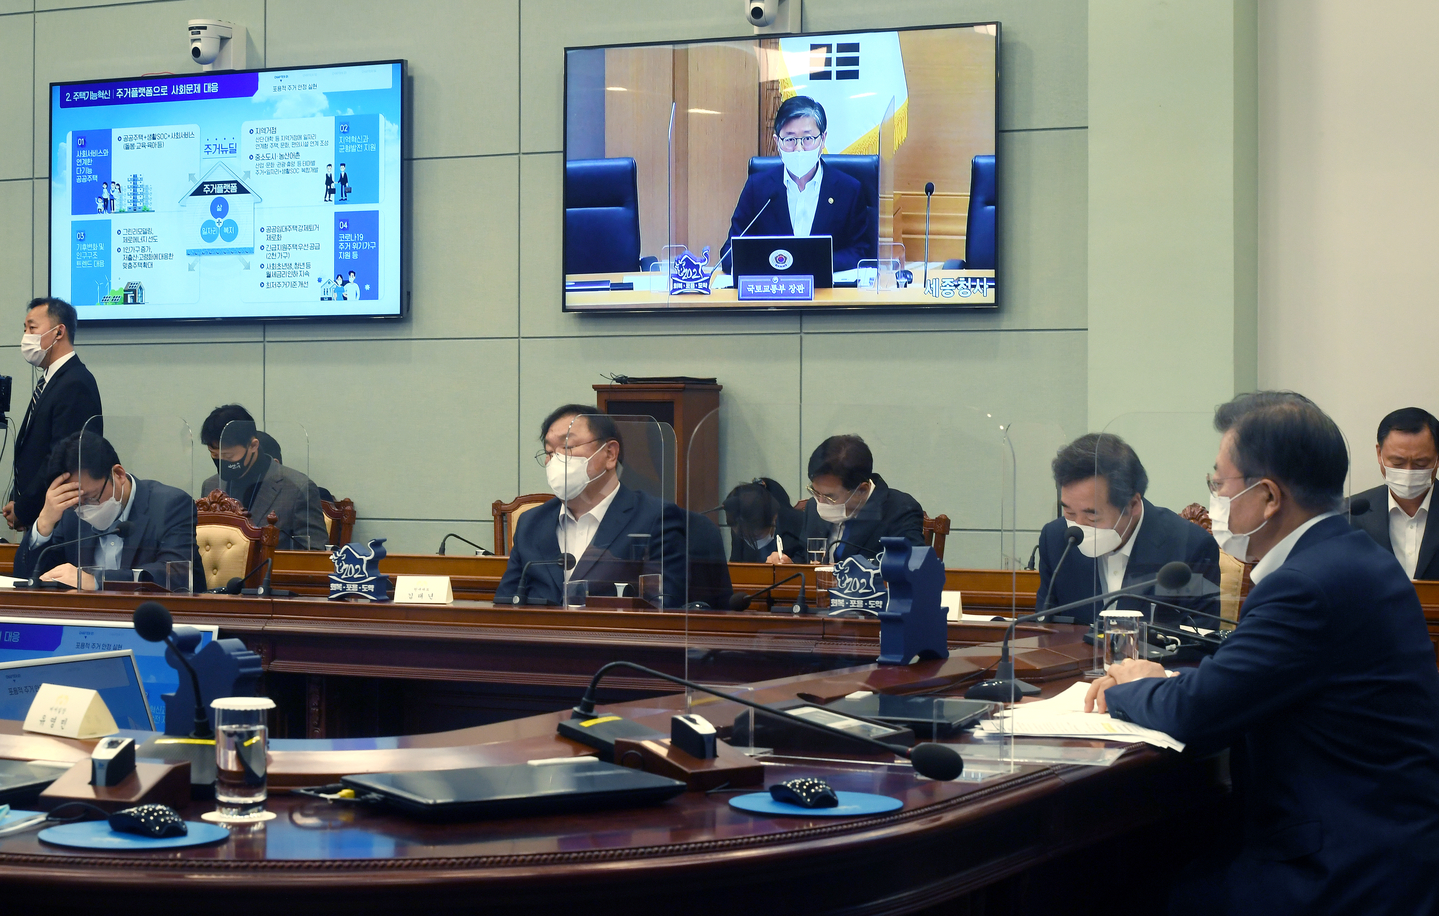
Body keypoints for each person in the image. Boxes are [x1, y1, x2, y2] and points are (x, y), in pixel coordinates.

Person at [1086, 391, 1439, 915]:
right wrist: (1177, 678)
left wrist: (1134, 685)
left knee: (1111, 892)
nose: (1214, 501)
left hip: (1339, 868)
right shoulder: (1353, 556)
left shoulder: (1305, 584)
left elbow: (1195, 712)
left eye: (1219, 484)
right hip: (1388, 842)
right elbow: (1253, 676)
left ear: (1269, 496)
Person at [495, 405, 692, 607]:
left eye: (568, 447)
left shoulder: (655, 519)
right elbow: (505, 606)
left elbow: (665, 610)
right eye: (549, 452)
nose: (556, 460)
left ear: (610, 454)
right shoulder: (531, 523)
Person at [1036, 433, 1220, 626]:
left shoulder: (1189, 547)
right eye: (1069, 512)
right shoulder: (1056, 540)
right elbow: (1046, 628)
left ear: (1133, 505)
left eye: (1092, 517)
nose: (1079, 526)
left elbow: (1199, 641)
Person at [14, 431, 204, 592]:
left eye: (90, 498)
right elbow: (28, 580)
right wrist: (44, 524)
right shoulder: (70, 513)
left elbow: (175, 575)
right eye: (75, 503)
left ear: (119, 474)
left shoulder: (171, 505)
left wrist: (98, 580)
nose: (83, 509)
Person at [722, 96, 873, 273]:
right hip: (774, 293)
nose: (799, 149)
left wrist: (813, 264)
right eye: (790, 139)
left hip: (826, 294)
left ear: (823, 140)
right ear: (777, 142)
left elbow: (861, 252)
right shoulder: (758, 188)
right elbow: (730, 253)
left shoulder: (848, 190)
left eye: (808, 139)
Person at [5, 297, 103, 532]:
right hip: (41, 517)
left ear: (58, 332)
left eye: (32, 328)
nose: (26, 336)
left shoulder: (75, 382)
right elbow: (33, 453)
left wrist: (24, 509)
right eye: (25, 329)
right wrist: (19, 502)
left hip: (62, 524)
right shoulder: (52, 380)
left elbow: (61, 460)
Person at [199, 406, 328, 550]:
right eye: (215, 455)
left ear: (253, 446)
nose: (222, 462)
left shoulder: (297, 488)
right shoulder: (210, 486)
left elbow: (315, 554)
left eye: (228, 456)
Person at [779, 435, 923, 564]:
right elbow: (805, 558)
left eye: (830, 497)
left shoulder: (899, 510)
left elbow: (910, 564)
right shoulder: (812, 507)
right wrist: (788, 564)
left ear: (862, 490)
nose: (820, 502)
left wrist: (850, 572)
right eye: (815, 492)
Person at [1349, 407, 1439, 580]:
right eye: (1397, 462)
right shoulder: (1351, 513)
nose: (1408, 471)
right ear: (1379, 453)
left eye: (1421, 463)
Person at [724, 478, 803, 563]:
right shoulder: (740, 525)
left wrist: (791, 564)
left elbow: (809, 561)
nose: (751, 541)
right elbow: (736, 564)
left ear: (774, 517)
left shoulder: (799, 524)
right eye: (743, 536)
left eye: (756, 536)